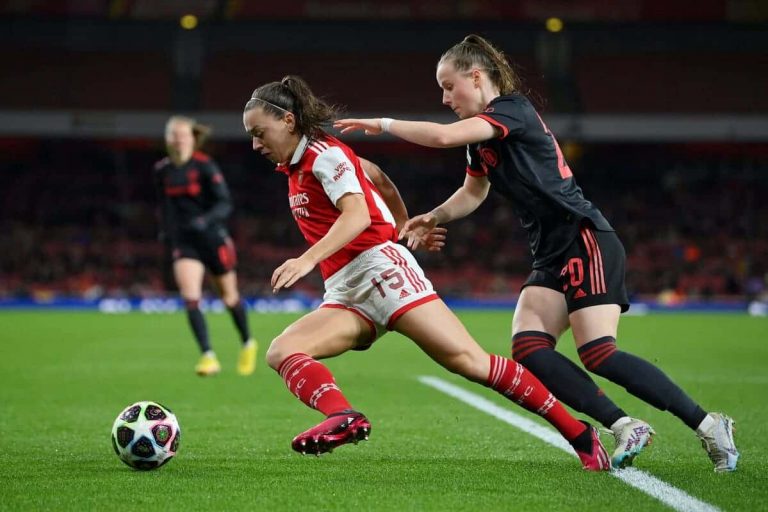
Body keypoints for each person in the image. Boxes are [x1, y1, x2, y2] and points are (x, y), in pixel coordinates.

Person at [334, 34, 739, 473]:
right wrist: (434, 216)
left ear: (476, 76)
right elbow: (473, 192)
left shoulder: (511, 109)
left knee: (599, 352)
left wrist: (383, 124)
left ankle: (709, 424)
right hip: (550, 252)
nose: (445, 97)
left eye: (449, 86)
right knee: (528, 347)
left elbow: (441, 136)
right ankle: (622, 424)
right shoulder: (481, 140)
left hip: (583, 236)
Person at [243, 75, 610, 470]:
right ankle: (343, 417)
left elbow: (358, 213)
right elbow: (376, 176)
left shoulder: (323, 155)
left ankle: (578, 432)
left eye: (260, 132)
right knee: (282, 350)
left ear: (288, 121)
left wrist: (307, 259)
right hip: (347, 289)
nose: (255, 144)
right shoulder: (305, 163)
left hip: (382, 274)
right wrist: (404, 228)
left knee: (470, 362)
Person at [154, 115, 257, 377]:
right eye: (172, 135)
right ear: (167, 139)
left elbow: (224, 203)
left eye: (181, 134)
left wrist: (205, 221)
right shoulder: (162, 170)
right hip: (184, 242)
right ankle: (208, 356)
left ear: (192, 138)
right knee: (190, 297)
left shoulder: (204, 166)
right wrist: (166, 231)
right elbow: (164, 206)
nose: (177, 139)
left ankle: (247, 342)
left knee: (229, 298)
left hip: (212, 239)